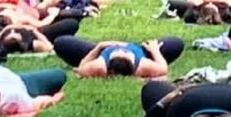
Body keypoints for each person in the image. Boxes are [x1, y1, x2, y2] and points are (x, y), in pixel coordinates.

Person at [54, 35, 183, 78]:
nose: (122, 49)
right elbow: (163, 68)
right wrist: (155, 50)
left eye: (120, 52)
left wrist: (99, 47)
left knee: (62, 42)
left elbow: (81, 67)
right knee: (175, 43)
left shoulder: (99, 65)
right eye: (124, 52)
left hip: (102, 50)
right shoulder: (144, 65)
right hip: (143, 51)